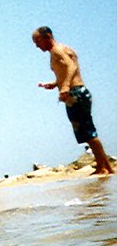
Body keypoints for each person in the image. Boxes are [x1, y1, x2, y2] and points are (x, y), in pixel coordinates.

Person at [32, 26, 114, 175]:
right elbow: (67, 71)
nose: (37, 46)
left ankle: (105, 167)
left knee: (89, 133)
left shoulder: (57, 50)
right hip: (76, 91)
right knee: (87, 132)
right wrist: (55, 83)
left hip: (75, 93)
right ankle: (105, 166)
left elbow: (71, 67)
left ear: (47, 36)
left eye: (38, 41)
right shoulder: (62, 49)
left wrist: (65, 86)